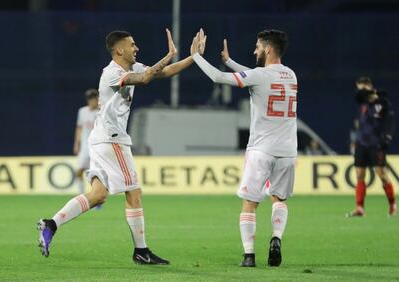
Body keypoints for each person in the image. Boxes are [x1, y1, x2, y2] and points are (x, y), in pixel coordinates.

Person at [37, 28, 206, 264]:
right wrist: (168, 55)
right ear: (119, 50)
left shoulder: (131, 67)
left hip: (101, 138)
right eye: (132, 44)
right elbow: (147, 77)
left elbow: (164, 73)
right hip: (111, 139)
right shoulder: (112, 73)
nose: (136, 48)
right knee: (134, 192)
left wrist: (194, 57)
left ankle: (51, 224)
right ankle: (141, 251)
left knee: (97, 195)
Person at [191, 29, 297, 267]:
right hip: (288, 151)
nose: (254, 50)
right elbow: (255, 76)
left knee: (250, 203)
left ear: (268, 49)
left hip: (261, 149)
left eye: (258, 47)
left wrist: (196, 57)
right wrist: (229, 62)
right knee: (279, 199)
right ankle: (276, 238)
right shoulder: (291, 75)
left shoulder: (259, 75)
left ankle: (249, 256)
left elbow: (219, 78)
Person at [346, 76, 396, 217]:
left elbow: (390, 122)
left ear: (368, 85)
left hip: (376, 144)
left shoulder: (383, 102)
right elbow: (359, 97)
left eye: (361, 88)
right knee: (360, 175)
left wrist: (387, 138)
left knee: (382, 174)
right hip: (361, 144)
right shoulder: (362, 102)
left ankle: (392, 204)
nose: (359, 91)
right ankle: (359, 208)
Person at [73, 89, 99, 194]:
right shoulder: (82, 111)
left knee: (96, 174)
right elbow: (79, 128)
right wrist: (76, 143)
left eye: (94, 98)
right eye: (90, 99)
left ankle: (97, 196)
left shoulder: (101, 112)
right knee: (79, 171)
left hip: (96, 147)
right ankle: (81, 193)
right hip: (85, 146)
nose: (92, 101)